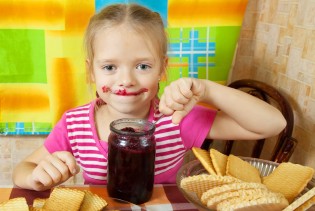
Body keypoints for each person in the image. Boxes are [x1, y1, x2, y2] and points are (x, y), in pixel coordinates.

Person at [12, 3, 286, 191]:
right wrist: (36, 177)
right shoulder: (74, 125)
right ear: (91, 72)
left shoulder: (177, 119)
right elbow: (23, 169)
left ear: (162, 69)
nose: (127, 80)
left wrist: (208, 90)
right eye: (109, 67)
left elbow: (273, 124)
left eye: (142, 66)